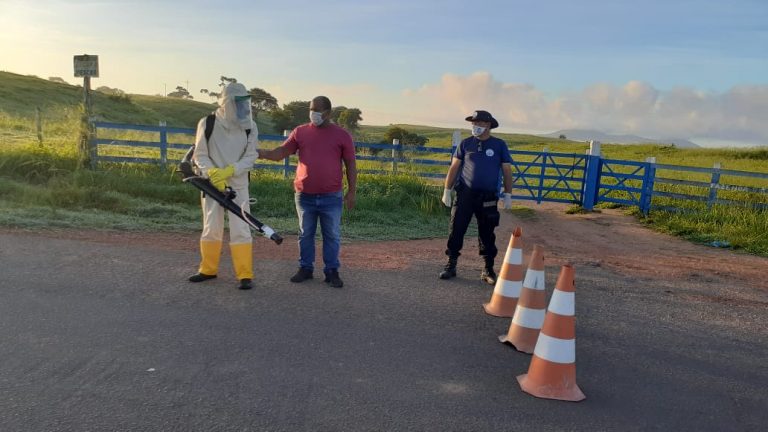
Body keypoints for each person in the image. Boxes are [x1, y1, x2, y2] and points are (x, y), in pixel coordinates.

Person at [258, 96, 357, 288]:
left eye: (317, 110)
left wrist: (352, 191)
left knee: (332, 235)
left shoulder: (342, 135)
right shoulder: (300, 132)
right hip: (304, 196)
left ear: (328, 113)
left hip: (332, 196)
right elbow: (281, 152)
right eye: (311, 109)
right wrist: (259, 152)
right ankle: (305, 268)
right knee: (305, 234)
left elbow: (351, 165)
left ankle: (332, 271)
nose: (313, 114)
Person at [187, 82, 259, 290]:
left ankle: (244, 274)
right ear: (227, 102)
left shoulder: (250, 126)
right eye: (238, 103)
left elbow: (251, 156)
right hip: (212, 185)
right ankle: (208, 269)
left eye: (245, 102)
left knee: (241, 228)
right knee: (211, 226)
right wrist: (212, 173)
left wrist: (230, 171)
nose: (243, 107)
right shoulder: (207, 123)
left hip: (239, 185)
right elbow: (200, 154)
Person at [439, 110, 513, 284]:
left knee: (487, 232)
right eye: (473, 123)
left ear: (488, 125)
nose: (475, 126)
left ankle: (488, 269)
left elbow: (507, 170)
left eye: (478, 123)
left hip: (488, 197)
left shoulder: (499, 145)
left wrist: (508, 194)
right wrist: (447, 190)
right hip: (465, 194)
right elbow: (454, 167)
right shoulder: (466, 144)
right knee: (456, 229)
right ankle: (451, 265)